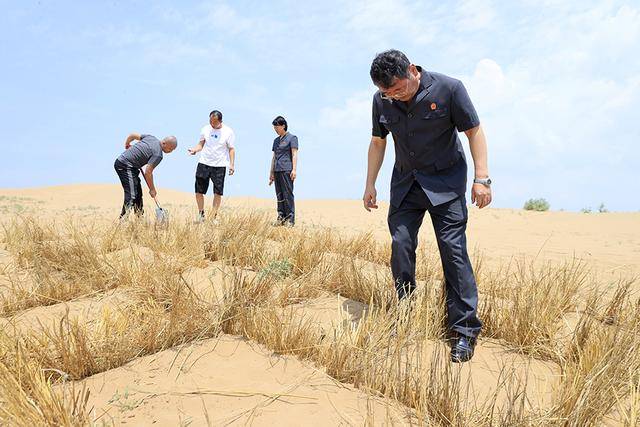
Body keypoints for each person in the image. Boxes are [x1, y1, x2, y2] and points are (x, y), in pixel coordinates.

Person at [362, 49, 492, 363]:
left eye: (398, 89)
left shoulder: (450, 88)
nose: (393, 96)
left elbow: (474, 131)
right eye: (387, 92)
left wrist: (482, 178)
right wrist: (370, 184)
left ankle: (464, 331)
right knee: (401, 244)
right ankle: (406, 310)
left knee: (453, 250)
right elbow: (378, 142)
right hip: (407, 184)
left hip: (446, 183)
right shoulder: (382, 100)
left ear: (412, 71)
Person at [114, 133, 177, 218]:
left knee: (138, 193)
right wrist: (152, 189)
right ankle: (123, 221)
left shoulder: (151, 137)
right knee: (132, 195)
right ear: (164, 143)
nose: (170, 151)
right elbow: (148, 172)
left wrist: (127, 144)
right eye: (170, 149)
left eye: (172, 150)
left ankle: (139, 218)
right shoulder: (158, 154)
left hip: (132, 167)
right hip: (125, 165)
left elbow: (132, 135)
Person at [188, 110, 236, 221]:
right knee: (199, 190)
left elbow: (231, 149)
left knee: (218, 192)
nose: (212, 124)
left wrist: (232, 165)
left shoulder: (228, 132)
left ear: (220, 121)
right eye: (210, 121)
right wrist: (195, 150)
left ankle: (214, 217)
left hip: (220, 165)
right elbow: (200, 144)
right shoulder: (205, 129)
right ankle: (201, 214)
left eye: (214, 122)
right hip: (204, 162)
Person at [268, 116, 298, 226]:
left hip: (287, 170)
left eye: (277, 127)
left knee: (287, 194)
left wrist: (294, 170)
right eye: (274, 127)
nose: (275, 129)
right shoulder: (275, 141)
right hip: (277, 170)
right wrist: (271, 173)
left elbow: (294, 154)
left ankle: (290, 219)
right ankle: (281, 217)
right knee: (279, 195)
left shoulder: (292, 138)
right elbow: (274, 157)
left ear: (283, 126)